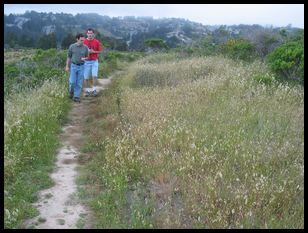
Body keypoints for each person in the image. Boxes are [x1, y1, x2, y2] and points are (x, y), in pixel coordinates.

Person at [65, 33, 89, 102]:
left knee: (79, 82)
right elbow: (69, 57)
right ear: (77, 39)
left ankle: (76, 96)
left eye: (83, 40)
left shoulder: (85, 47)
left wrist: (85, 59)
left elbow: (87, 57)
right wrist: (67, 66)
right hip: (73, 66)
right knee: (72, 82)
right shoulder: (72, 46)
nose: (82, 42)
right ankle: (71, 91)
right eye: (81, 40)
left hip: (81, 66)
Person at [83, 28, 102, 97]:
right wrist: (87, 52)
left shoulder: (96, 42)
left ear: (93, 34)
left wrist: (94, 51)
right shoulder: (84, 41)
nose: (90, 34)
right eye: (88, 33)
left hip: (94, 61)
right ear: (87, 34)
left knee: (95, 76)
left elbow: (100, 51)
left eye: (91, 33)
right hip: (86, 62)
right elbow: (82, 51)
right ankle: (87, 91)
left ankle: (94, 90)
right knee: (86, 77)